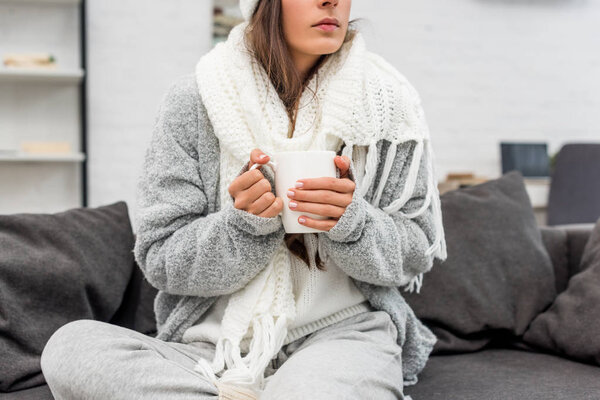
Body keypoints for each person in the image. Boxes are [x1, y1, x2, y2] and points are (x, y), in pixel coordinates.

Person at [40, 0, 447, 399]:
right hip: (214, 348)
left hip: (344, 336)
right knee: (70, 347)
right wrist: (243, 225)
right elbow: (162, 259)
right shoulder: (194, 100)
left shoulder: (389, 108)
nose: (332, 2)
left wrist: (352, 222)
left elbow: (415, 252)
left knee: (309, 390)